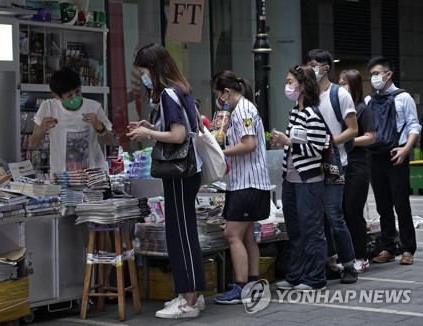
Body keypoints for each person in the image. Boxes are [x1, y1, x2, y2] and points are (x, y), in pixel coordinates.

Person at [126, 43, 205, 319]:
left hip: (180, 171)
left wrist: (148, 135)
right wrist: (148, 127)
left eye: (144, 70)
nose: (143, 76)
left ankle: (189, 299)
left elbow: (178, 135)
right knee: (182, 232)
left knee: (181, 234)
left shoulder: (169, 94)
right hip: (184, 171)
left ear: (155, 68)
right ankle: (188, 293)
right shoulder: (179, 90)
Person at [210, 71, 272, 303]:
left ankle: (241, 286)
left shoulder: (244, 109)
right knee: (247, 237)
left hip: (249, 183)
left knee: (231, 233)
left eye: (218, 94)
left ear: (226, 92)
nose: (218, 100)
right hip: (245, 183)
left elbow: (248, 144)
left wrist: (219, 152)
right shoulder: (240, 109)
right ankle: (252, 284)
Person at [271, 65, 328, 292]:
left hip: (309, 180)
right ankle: (296, 275)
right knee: (294, 230)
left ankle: (316, 277)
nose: (287, 86)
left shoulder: (312, 113)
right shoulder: (295, 111)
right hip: (292, 179)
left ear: (303, 85)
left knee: (311, 229)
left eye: (290, 82)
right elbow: (296, 144)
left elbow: (316, 149)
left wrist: (288, 142)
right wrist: (284, 142)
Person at [305, 49, 358, 284]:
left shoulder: (340, 94)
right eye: (309, 64)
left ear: (326, 67)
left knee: (335, 215)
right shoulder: (306, 95)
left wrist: (330, 143)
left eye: (315, 64)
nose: (311, 68)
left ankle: (349, 266)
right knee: (320, 218)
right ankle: (330, 261)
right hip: (310, 163)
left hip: (335, 164)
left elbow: (353, 129)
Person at [366, 56, 421, 265]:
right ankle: (388, 247)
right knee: (383, 205)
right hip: (375, 156)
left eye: (376, 74)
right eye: (371, 75)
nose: (373, 78)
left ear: (388, 74)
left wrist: (406, 149)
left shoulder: (403, 97)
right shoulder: (369, 100)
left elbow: (414, 126)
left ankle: (408, 249)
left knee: (401, 203)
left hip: (396, 155)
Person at [30, 68, 114, 173]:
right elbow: (33, 145)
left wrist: (99, 126)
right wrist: (41, 129)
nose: (75, 97)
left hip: (91, 176)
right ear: (56, 96)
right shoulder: (48, 107)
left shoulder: (94, 107)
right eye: (69, 96)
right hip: (61, 177)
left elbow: (110, 141)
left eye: (78, 92)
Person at [338, 69, 376, 272]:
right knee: (342, 213)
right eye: (339, 82)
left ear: (354, 85)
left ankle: (361, 256)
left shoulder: (362, 109)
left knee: (353, 212)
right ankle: (347, 256)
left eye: (345, 83)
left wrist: (348, 140)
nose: (341, 86)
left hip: (358, 168)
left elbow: (371, 137)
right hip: (341, 167)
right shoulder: (341, 109)